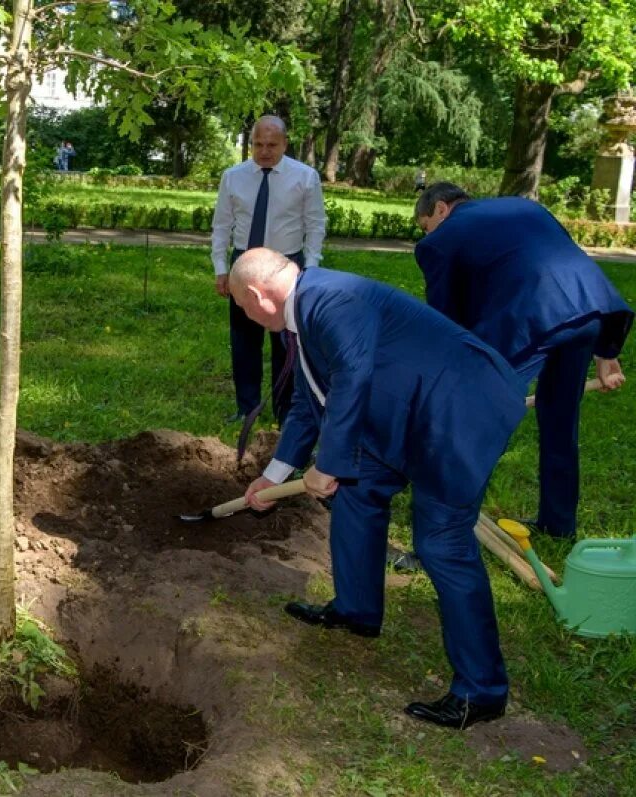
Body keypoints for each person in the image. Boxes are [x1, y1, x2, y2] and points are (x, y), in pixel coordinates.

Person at [232, 248, 524, 730]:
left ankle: (482, 690)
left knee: (442, 543)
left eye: (242, 307)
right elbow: (310, 400)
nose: (245, 316)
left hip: (457, 416)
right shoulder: (304, 314)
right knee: (356, 494)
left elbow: (351, 376)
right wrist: (276, 474)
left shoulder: (330, 300)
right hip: (408, 416)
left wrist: (329, 464)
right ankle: (357, 608)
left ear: (258, 296)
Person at [414, 183, 632, 540]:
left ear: (440, 209)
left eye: (425, 226)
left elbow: (446, 323)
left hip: (532, 322)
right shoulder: (524, 207)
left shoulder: (442, 238)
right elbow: (567, 266)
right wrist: (607, 352)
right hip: (590, 312)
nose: (427, 235)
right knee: (560, 423)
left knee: (476, 427)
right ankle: (558, 526)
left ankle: (447, 536)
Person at [211, 115, 326, 425]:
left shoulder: (305, 177)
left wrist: (311, 270)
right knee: (244, 339)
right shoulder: (233, 177)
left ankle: (285, 409)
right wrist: (221, 268)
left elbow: (315, 225)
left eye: (272, 145)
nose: (264, 151)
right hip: (244, 264)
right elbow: (221, 225)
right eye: (258, 144)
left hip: (286, 266)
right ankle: (245, 407)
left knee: (287, 343)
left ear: (285, 144)